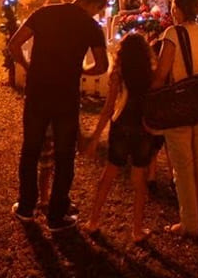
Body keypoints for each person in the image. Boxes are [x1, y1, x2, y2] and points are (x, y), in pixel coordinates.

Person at [8, 0, 110, 230]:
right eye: (98, 9)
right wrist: (82, 72)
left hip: (38, 91)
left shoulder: (45, 13)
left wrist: (27, 65)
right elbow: (102, 65)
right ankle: (56, 214)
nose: (97, 14)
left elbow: (14, 44)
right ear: (93, 4)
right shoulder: (90, 27)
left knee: (31, 148)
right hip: (66, 94)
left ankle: (26, 207)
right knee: (65, 155)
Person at [151, 0, 198, 237]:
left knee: (182, 166)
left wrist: (149, 95)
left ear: (177, 9)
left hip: (179, 107)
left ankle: (189, 224)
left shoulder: (172, 33)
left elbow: (161, 75)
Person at [82, 33, 158, 242]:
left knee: (108, 175)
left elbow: (108, 108)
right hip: (143, 127)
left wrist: (96, 137)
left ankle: (93, 221)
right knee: (138, 179)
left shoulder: (118, 73)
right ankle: (137, 230)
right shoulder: (151, 74)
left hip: (121, 125)